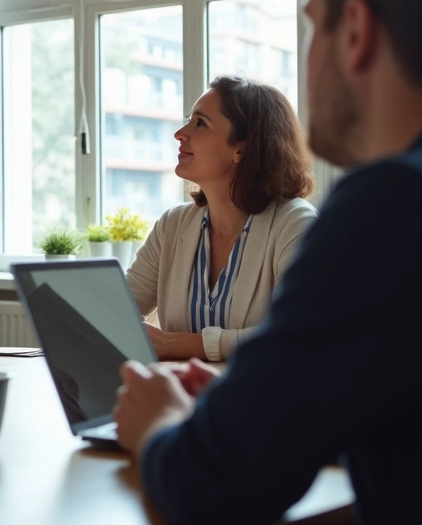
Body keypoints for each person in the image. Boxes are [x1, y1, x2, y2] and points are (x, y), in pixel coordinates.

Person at [114, 0, 422, 523]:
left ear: (355, 31)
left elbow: (217, 484)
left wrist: (163, 425)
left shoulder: (396, 208)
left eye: (312, 25)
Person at [126, 75, 315, 362]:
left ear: (242, 148)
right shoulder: (172, 226)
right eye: (189, 120)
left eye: (200, 123)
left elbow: (299, 331)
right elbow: (119, 310)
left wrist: (178, 344)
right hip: (178, 400)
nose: (180, 133)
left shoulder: (295, 224)